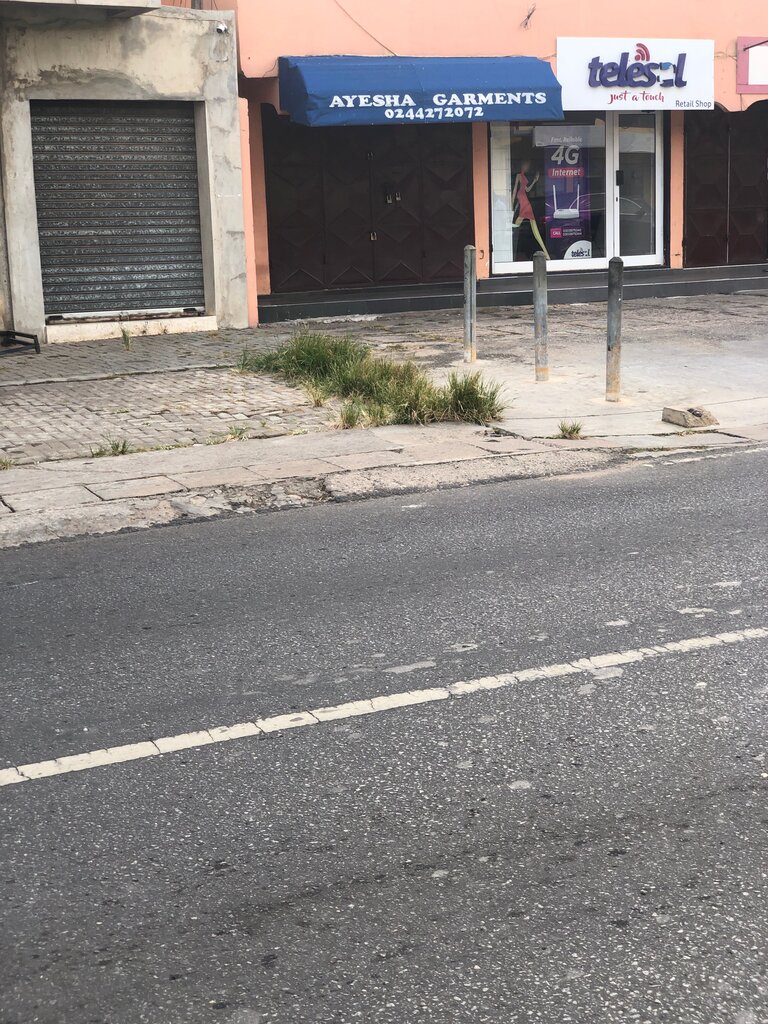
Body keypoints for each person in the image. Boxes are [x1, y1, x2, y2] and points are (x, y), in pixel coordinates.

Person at [511, 159, 550, 260]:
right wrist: (511, 203)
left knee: (522, 225)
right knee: (518, 224)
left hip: (525, 200)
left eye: (527, 165)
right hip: (522, 198)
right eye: (525, 164)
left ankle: (547, 254)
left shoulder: (523, 176)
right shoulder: (519, 175)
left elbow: (527, 189)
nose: (526, 166)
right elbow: (515, 189)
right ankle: (547, 255)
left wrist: (535, 181)